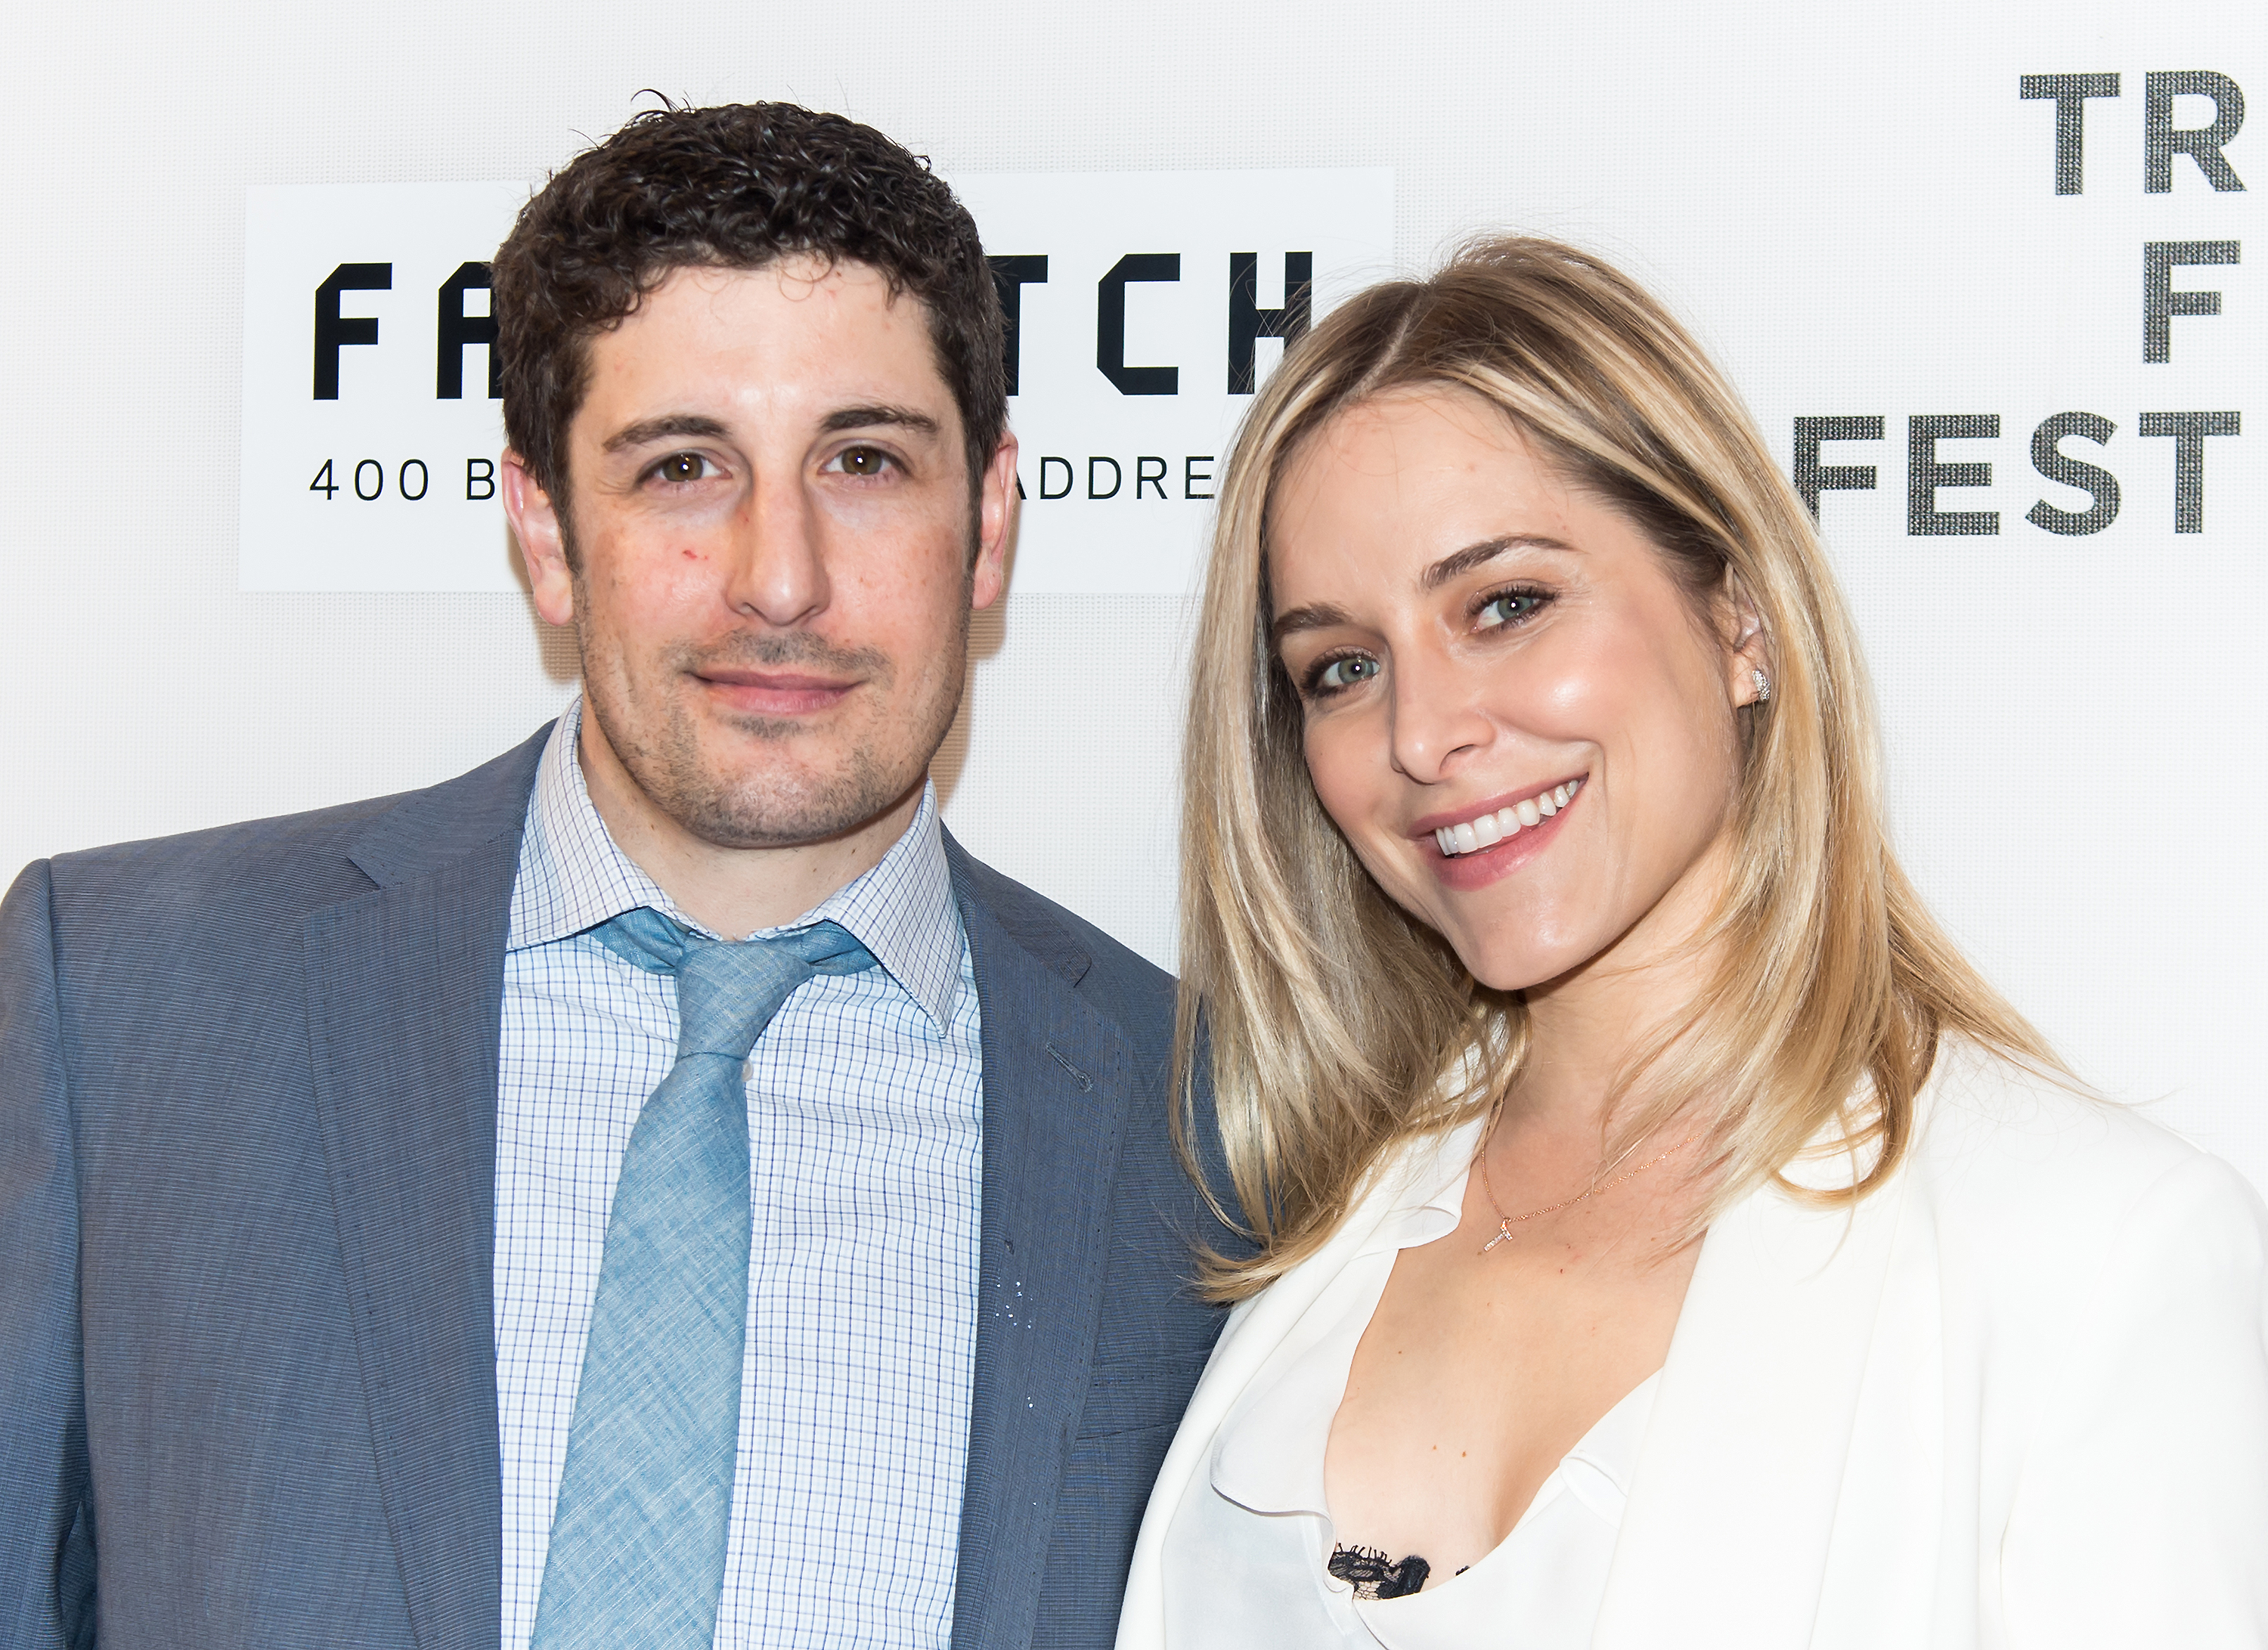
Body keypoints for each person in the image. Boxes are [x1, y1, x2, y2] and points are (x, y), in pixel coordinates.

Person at [0, 103, 1235, 1650]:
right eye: (682, 467)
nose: (780, 578)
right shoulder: (128, 1006)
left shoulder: (1209, 1130)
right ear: (544, 527)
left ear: (986, 522)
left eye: (863, 461)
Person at [1117, 237, 2268, 1648]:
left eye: (1505, 605)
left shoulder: (2090, 1256)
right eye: (1342, 668)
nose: (1422, 734)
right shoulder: (1306, 1228)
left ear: (1741, 620)